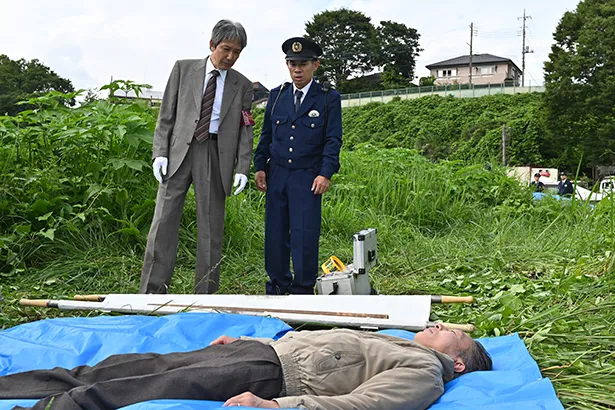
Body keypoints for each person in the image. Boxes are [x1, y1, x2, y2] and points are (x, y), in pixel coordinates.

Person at [0, 324, 492, 410]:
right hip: (257, 353)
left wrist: (277, 403)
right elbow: (312, 338)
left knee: (138, 386)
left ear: (457, 361)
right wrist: (249, 337)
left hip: (268, 377)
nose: (440, 325)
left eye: (452, 331)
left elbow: (363, 403)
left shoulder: (425, 370)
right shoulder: (394, 340)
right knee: (123, 363)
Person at [139, 20, 255, 295]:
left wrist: (242, 167)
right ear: (212, 45)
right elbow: (166, 114)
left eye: (237, 52)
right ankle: (152, 292)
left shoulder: (243, 85)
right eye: (226, 49)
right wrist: (160, 152)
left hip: (216, 154)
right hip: (180, 152)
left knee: (211, 227)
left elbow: (245, 128)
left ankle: (205, 294)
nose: (230, 57)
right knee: (163, 222)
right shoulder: (183, 69)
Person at [253, 37, 343, 295]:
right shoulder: (277, 95)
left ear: (315, 64)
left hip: (307, 176)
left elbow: (333, 139)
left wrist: (325, 173)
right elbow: (266, 134)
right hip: (277, 174)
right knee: (275, 232)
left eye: (303, 64)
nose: (297, 69)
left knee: (304, 233)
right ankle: (278, 285)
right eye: (292, 64)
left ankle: (303, 288)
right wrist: (260, 166)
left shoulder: (327, 98)